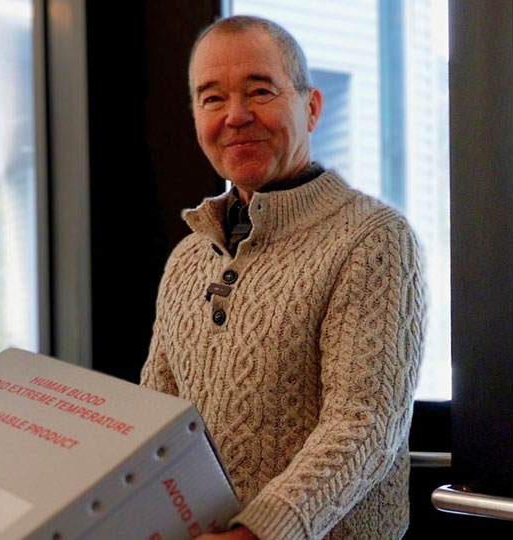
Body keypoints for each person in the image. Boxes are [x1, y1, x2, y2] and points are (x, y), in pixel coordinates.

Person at [139, 14, 427, 540]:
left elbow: (365, 425)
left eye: (260, 91)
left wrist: (260, 532)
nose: (236, 116)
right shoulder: (187, 258)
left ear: (311, 107)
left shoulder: (373, 238)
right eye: (212, 98)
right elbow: (154, 421)